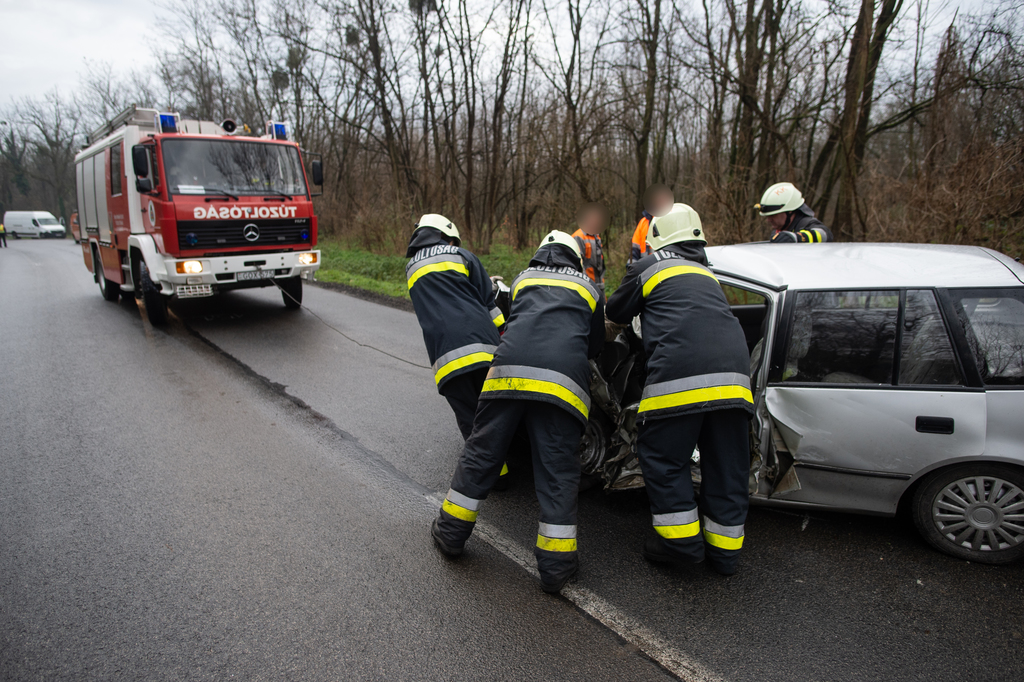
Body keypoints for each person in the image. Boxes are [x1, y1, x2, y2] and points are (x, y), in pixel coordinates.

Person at [431, 230, 605, 594]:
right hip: (561, 385)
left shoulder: (523, 279)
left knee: (481, 454)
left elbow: (512, 322)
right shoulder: (590, 288)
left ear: (541, 252)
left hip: (506, 375)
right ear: (575, 257)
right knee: (557, 471)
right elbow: (595, 346)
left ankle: (450, 534)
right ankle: (556, 569)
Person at [606, 204, 754, 576]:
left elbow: (616, 314)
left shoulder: (649, 266)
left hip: (679, 379)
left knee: (662, 456)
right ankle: (724, 557)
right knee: (726, 466)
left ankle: (681, 546)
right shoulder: (707, 274)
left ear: (656, 238)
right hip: (736, 383)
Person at [406, 213, 511, 489]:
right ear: (448, 235)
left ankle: (497, 478)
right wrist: (504, 334)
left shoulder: (412, 269)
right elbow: (489, 302)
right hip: (486, 348)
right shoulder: (463, 256)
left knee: (470, 419)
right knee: (493, 412)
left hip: (447, 359)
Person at [756, 182, 833, 243]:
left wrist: (797, 237)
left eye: (773, 215)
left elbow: (825, 234)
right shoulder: (779, 232)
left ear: (790, 211)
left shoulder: (806, 224)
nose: (768, 220)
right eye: (767, 216)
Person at [629, 184, 674, 263]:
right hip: (645, 270)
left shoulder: (672, 221)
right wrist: (631, 270)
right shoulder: (643, 223)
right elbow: (634, 251)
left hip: (666, 269)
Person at [571, 202, 608, 294]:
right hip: (586, 285)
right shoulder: (578, 236)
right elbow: (578, 265)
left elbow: (600, 264)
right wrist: (585, 284)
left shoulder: (596, 236)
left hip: (598, 283)